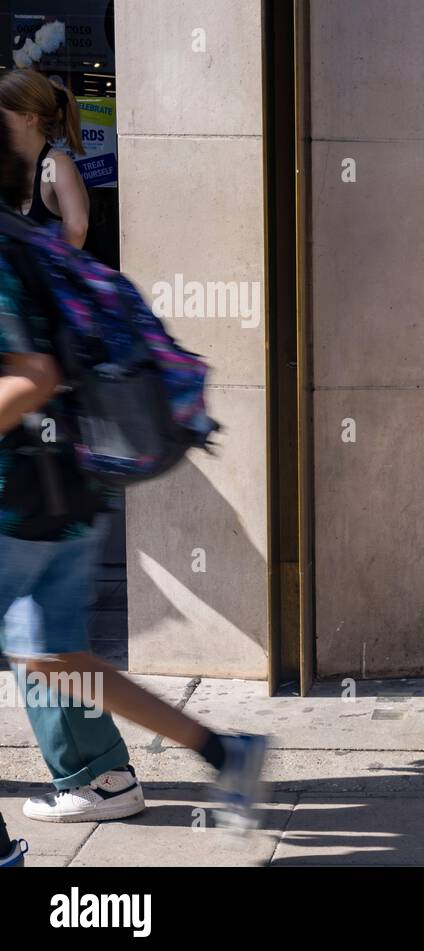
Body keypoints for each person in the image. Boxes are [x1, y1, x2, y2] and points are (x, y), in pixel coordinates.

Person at [0, 115, 268, 832]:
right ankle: (220, 749)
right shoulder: (30, 241)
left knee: (49, 653)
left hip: (18, 499)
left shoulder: (2, 250)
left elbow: (33, 374)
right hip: (71, 486)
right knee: (55, 654)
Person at [0, 70, 89, 249]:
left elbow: (77, 228)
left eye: (3, 117)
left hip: (52, 275)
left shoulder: (53, 164)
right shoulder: (13, 164)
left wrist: (55, 271)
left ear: (30, 118)